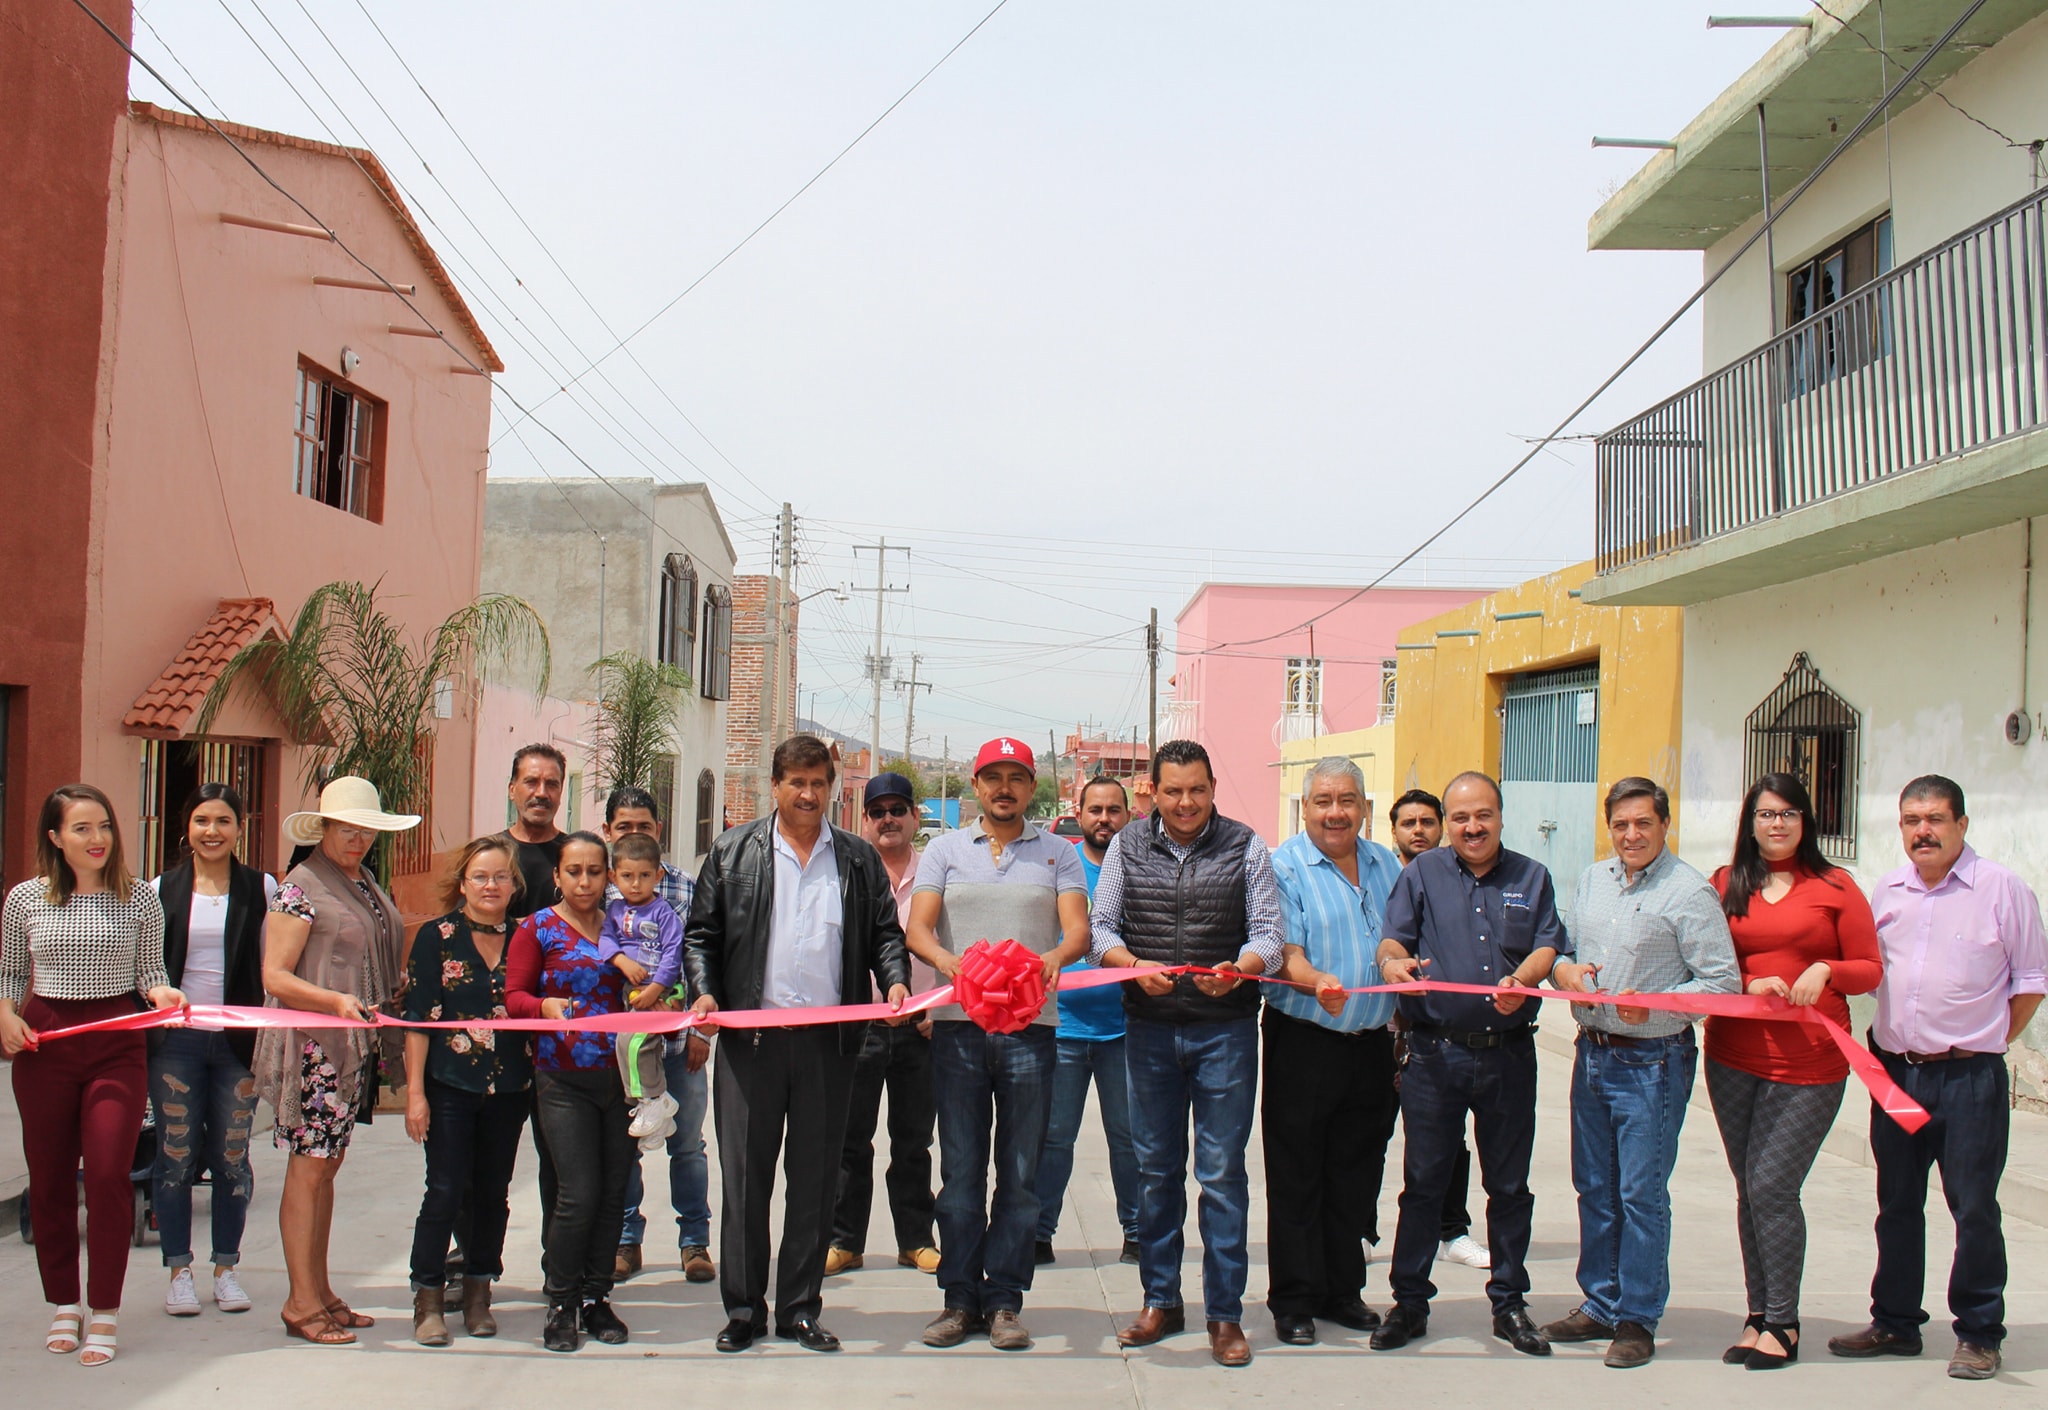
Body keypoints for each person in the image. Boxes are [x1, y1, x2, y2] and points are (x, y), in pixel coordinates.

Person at [684, 734, 912, 1354]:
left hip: (828, 1046)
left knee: (813, 1181)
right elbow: (700, 935)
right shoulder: (733, 854)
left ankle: (800, 1309)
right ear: (776, 785)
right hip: (749, 1044)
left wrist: (894, 982)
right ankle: (742, 1311)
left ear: (832, 786)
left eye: (820, 783)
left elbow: (886, 936)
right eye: (797, 783)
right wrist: (704, 992)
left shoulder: (857, 860)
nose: (809, 795)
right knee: (746, 1182)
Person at [1830, 775, 2047, 1381]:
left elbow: (2030, 981)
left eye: (1935, 819)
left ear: (1961, 825)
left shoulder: (2002, 889)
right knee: (1896, 1202)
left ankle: (1979, 1332)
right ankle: (1895, 1322)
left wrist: (1989, 1041)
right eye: (1910, 821)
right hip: (1897, 1076)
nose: (1922, 831)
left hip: (1968, 1082)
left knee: (1973, 1207)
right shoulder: (1888, 890)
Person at [1092, 738, 1283, 1369]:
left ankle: (1225, 1315)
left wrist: (1242, 968)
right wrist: (1130, 964)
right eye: (1173, 791)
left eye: (1196, 790)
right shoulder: (1127, 845)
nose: (1185, 802)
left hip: (1224, 1032)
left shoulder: (1245, 845)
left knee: (1222, 1175)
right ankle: (1161, 1300)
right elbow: (1101, 930)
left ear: (1212, 789)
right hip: (1147, 1030)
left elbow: (1270, 936)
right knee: (1156, 1172)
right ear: (1153, 791)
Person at [1541, 777, 1737, 1368]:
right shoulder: (1594, 879)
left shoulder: (1689, 892)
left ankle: (1638, 1317)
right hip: (1593, 1052)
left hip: (1652, 1062)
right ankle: (1599, 1303)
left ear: (1664, 825)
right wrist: (1567, 973)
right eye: (1621, 824)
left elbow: (1721, 986)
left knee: (1640, 1194)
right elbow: (1567, 953)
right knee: (1594, 1187)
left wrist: (1655, 1003)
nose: (1631, 835)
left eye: (1643, 824)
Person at [1372, 771, 1564, 1357]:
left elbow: (1548, 945)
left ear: (1501, 817)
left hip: (1508, 1056)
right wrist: (1391, 967)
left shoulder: (1533, 876)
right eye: (1459, 818)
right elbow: (1391, 943)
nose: (1471, 827)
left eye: (1482, 816)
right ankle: (1409, 1302)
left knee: (1509, 1186)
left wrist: (1524, 980)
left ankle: (1509, 1303)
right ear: (1447, 824)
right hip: (1434, 1054)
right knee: (1424, 1184)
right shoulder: (1421, 873)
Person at [907, 738, 1090, 1352]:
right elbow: (918, 927)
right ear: (977, 785)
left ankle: (1006, 1299)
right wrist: (950, 964)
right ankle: (959, 1298)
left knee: (1019, 1172)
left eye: (1017, 778)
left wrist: (1051, 959)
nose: (1005, 788)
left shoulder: (1058, 853)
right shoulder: (944, 850)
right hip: (959, 1030)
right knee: (960, 1172)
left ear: (1031, 786)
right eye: (994, 778)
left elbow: (1078, 932)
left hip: (1031, 1034)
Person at [1702, 772, 1882, 1371]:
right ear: (1749, 823)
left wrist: (1827, 969)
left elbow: (1870, 968)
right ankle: (1758, 1314)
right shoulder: (1726, 884)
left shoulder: (1835, 886)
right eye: (1765, 813)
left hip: (1810, 1061)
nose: (1777, 824)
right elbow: (1709, 963)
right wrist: (1751, 982)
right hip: (1732, 1056)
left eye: (1789, 814)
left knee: (1773, 1187)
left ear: (1806, 822)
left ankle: (1784, 1321)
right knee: (1748, 1188)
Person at [2, 784, 183, 1367]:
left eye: (104, 825)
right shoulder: (25, 899)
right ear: (55, 838)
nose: (97, 838)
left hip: (115, 1045)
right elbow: (8, 979)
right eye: (81, 828)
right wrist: (5, 1019)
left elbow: (151, 971)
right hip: (45, 1044)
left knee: (108, 1174)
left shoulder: (138, 898)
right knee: (51, 1179)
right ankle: (64, 1302)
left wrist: (164, 994)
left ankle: (104, 1308)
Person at [252, 776, 417, 1348]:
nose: (357, 838)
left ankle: (318, 1291)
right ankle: (300, 1301)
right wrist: (334, 1001)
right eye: (346, 828)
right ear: (322, 828)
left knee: (328, 1167)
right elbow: (275, 975)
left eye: (365, 829)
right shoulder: (299, 888)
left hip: (352, 1048)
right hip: (317, 1048)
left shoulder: (362, 879)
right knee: (310, 1167)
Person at [1262, 757, 1404, 1347]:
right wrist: (1315, 979)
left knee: (1357, 1173)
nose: (1335, 812)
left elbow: (1403, 937)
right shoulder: (1284, 866)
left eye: (1347, 800)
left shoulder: (1386, 863)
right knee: (1297, 1174)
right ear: (1305, 807)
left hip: (1372, 1044)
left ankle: (1342, 1290)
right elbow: (1284, 951)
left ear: (1365, 808)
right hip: (1305, 1041)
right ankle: (1294, 1298)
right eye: (1323, 801)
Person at [507, 831, 635, 1353]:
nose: (585, 881)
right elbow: (514, 996)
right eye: (574, 871)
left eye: (595, 871)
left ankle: (596, 1298)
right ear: (556, 876)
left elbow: (662, 979)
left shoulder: (627, 927)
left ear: (608, 875)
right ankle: (561, 1299)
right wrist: (543, 1008)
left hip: (624, 1080)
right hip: (561, 1080)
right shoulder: (536, 929)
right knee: (577, 1194)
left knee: (612, 1196)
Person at [401, 834, 533, 1346]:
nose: (491, 885)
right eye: (480, 876)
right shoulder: (437, 936)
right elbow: (417, 1021)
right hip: (449, 1086)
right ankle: (428, 1295)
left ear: (514, 883)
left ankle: (479, 1290)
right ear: (463, 884)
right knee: (445, 1190)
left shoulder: (527, 936)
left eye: (501, 876)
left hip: (510, 1089)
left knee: (493, 1195)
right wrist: (415, 1094)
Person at [150, 783, 273, 1321]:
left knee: (230, 1158)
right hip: (176, 1043)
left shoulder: (261, 887)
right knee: (174, 1157)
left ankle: (226, 1269)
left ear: (240, 828)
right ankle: (179, 1270)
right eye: (202, 820)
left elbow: (275, 961)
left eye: (223, 821)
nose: (212, 831)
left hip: (238, 1043)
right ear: (188, 827)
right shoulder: (160, 888)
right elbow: (146, 964)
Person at [827, 771, 941, 1278]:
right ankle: (844, 1242)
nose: (888, 819)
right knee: (850, 1141)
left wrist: (939, 1006)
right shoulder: (846, 873)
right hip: (860, 1026)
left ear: (915, 817)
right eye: (878, 811)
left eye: (898, 809)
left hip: (922, 1029)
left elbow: (953, 946)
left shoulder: (939, 873)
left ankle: (915, 1240)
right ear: (865, 820)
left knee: (913, 1143)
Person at [603, 786, 713, 1286]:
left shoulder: (687, 890)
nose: (634, 835)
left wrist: (700, 1030)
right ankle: (627, 1241)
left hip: (677, 1043)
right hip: (622, 1049)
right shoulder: (599, 891)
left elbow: (703, 959)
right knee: (626, 1146)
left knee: (687, 1146)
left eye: (643, 826)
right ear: (609, 833)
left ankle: (695, 1243)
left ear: (659, 831)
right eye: (624, 827)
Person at [1034, 774, 1142, 1268]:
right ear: (1079, 812)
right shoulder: (1059, 865)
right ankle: (1038, 1232)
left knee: (1129, 1138)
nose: (1104, 819)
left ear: (1128, 815)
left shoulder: (1140, 866)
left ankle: (1138, 1232)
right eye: (1095, 809)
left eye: (1113, 810)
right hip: (1064, 1029)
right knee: (1054, 1137)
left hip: (1127, 1029)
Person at [1390, 788, 1488, 1271]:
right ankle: (1367, 1228)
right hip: (1380, 1032)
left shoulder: (1450, 879)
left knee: (1450, 1143)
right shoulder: (1388, 875)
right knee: (1377, 1137)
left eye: (1427, 821)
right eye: (1409, 823)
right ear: (1394, 831)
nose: (1419, 831)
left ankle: (1453, 1230)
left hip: (1434, 1038)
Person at [600, 832, 688, 1148]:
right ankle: (656, 1104)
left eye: (644, 876)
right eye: (627, 876)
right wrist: (622, 961)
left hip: (663, 993)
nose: (635, 884)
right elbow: (605, 941)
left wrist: (657, 988)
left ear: (658, 876)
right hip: (633, 993)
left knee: (632, 1042)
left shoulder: (664, 913)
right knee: (637, 1047)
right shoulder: (614, 910)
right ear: (613, 877)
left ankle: (651, 1101)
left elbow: (673, 952)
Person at [506, 744, 568, 922]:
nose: (541, 793)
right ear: (512, 789)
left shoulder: (576, 856)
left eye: (551, 784)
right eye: (531, 782)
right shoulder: (489, 855)